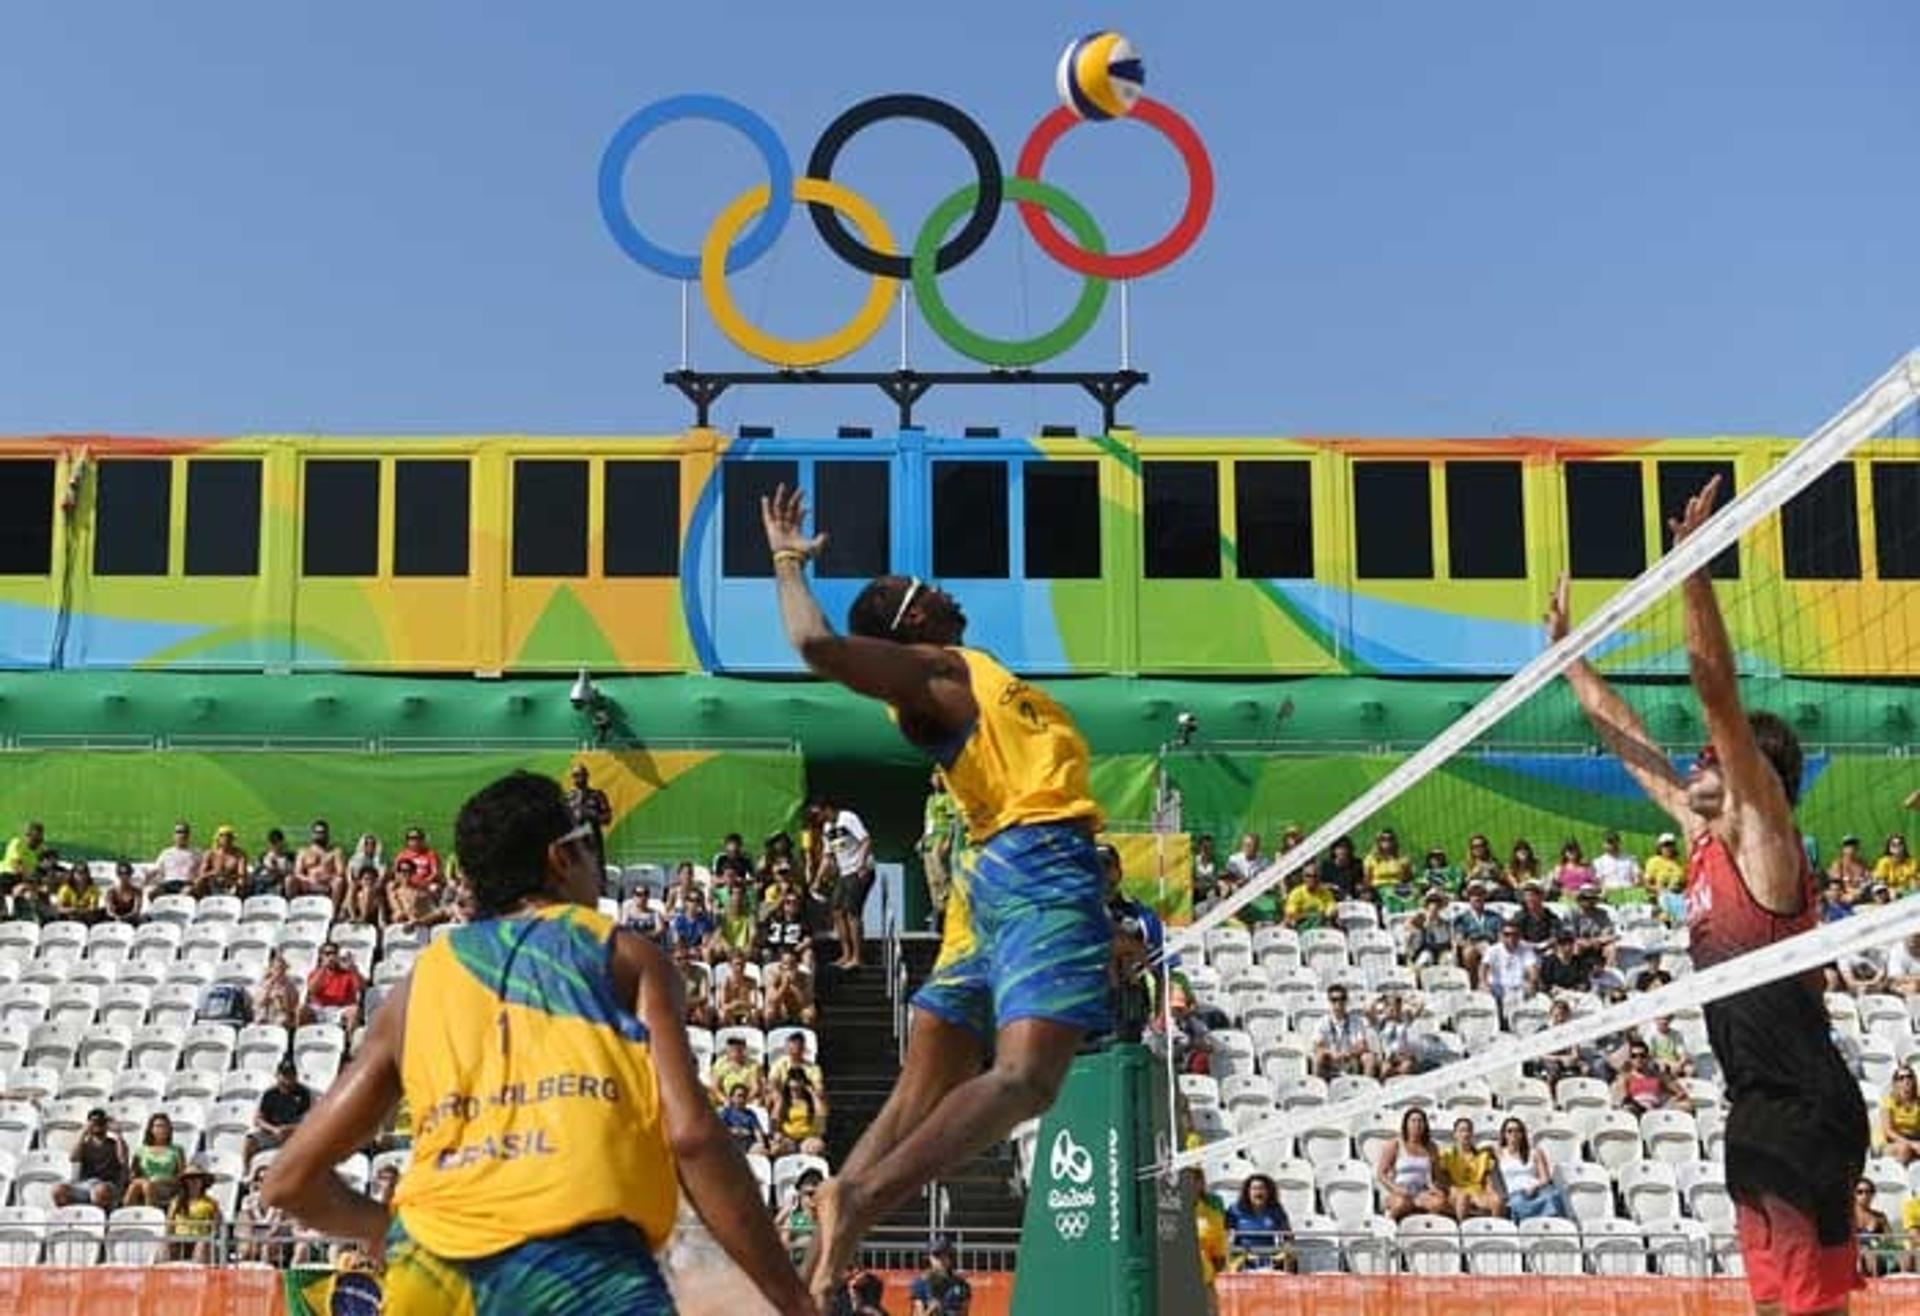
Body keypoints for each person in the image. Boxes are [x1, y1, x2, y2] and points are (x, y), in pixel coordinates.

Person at [261, 771, 811, 1315]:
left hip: (430, 1273)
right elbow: (691, 1135)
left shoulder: (417, 987)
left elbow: (289, 1180)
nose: (597, 862)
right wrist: (791, 1298)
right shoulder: (623, 957)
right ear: (561, 857)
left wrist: (390, 1230)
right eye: (589, 845)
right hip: (579, 1267)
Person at [761, 484, 1112, 1302]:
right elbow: (816, 644)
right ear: (913, 622)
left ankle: (817, 1261)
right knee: (1026, 1081)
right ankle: (861, 1199)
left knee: (922, 1091)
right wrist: (785, 562)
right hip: (1036, 863)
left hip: (990, 875)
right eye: (926, 590)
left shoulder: (969, 675)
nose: (948, 591)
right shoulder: (935, 671)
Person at [1552, 479, 1868, 1316]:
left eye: (1707, 757)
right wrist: (1567, 659)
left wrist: (1693, 565)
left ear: (1747, 776)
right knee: (1776, 1307)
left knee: (1804, 1312)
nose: (1690, 763)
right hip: (1758, 1107)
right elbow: (1627, 739)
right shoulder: (1701, 841)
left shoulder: (1765, 842)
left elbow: (1717, 692)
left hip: (1804, 1106)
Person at [813, 800, 874, 970]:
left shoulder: (847, 817)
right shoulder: (827, 828)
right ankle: (846, 953)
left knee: (852, 912)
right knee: (837, 910)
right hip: (844, 872)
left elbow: (866, 840)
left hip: (860, 870)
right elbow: (827, 856)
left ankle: (857, 956)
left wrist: (861, 864)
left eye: (819, 813)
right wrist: (817, 880)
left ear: (827, 809)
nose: (817, 818)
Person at [1377, 1108, 1450, 1221]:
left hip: (1421, 1192)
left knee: (1439, 1202)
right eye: (1413, 1121)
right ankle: (1390, 1224)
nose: (1417, 1124)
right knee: (1401, 1203)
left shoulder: (1431, 1147)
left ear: (1425, 1125)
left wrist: (1436, 1188)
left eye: (1420, 1121)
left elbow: (1436, 1175)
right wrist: (1395, 1188)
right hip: (1399, 1191)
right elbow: (1381, 1174)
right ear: (1406, 1124)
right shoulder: (1395, 1144)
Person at [1494, 1117, 1569, 1221]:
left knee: (1553, 1196)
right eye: (1509, 1131)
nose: (1513, 1134)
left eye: (1518, 1130)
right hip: (1514, 1193)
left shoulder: (1535, 1152)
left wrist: (1534, 1187)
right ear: (1504, 1134)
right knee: (1518, 1202)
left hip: (1537, 1190)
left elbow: (1545, 1178)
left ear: (1522, 1133)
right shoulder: (1498, 1153)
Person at [53, 1107, 128, 1209]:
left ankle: (100, 1220)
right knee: (58, 1190)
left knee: (100, 1191)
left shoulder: (115, 1144)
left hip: (106, 1184)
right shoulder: (84, 1144)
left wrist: (119, 1134)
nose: (98, 1125)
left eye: (101, 1122)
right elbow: (73, 1158)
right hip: (85, 1184)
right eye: (94, 1122)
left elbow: (123, 1160)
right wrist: (84, 1133)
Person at [246, 1059, 314, 1166]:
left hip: (294, 1134)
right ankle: (247, 1173)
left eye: (291, 1075)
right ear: (277, 1075)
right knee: (250, 1141)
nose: (287, 1079)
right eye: (284, 1075)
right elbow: (258, 1120)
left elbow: (309, 1120)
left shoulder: (304, 1093)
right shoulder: (269, 1094)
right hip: (273, 1133)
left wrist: (290, 1129)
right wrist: (274, 1130)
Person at [1223, 1174, 1292, 1272]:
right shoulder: (1235, 1210)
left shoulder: (1276, 1210)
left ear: (1268, 1192)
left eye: (1262, 1189)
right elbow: (1225, 1236)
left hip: (1270, 1260)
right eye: (1254, 1189)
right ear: (1247, 1192)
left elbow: (1287, 1236)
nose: (1258, 1192)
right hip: (1242, 1259)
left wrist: (1285, 1255)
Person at [920, 771, 962, 932]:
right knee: (931, 878)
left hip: (941, 836)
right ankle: (938, 907)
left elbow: (952, 821)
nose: (936, 780)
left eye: (939, 776)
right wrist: (922, 838)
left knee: (940, 870)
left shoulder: (948, 798)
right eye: (934, 776)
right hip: (929, 839)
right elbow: (928, 821)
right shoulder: (930, 800)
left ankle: (948, 897)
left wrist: (948, 841)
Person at [1440, 1117, 1503, 1220]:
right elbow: (1443, 1178)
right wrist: (1451, 1189)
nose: (1465, 1134)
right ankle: (1462, 1230)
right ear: (1455, 1134)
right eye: (1461, 1131)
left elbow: (1488, 1180)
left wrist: (1490, 1191)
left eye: (1468, 1130)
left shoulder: (1482, 1156)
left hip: (1477, 1191)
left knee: (1497, 1201)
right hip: (1456, 1191)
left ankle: (1495, 1230)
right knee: (1463, 1197)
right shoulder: (1447, 1154)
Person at [1313, 985, 1377, 1080]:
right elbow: (1318, 1046)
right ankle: (1319, 1089)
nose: (1338, 1003)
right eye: (1334, 999)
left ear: (1346, 1001)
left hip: (1351, 1058)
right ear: (1329, 1002)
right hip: (1331, 1059)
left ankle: (1366, 1089)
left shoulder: (1356, 1021)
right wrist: (1332, 1053)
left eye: (1342, 999)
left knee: (1369, 1057)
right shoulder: (1322, 1022)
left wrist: (1348, 1053)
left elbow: (1362, 1045)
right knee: (1319, 1057)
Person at [124, 1112, 186, 1209]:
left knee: (146, 1185)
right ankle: (126, 1218)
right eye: (158, 1126)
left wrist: (162, 1179)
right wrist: (144, 1182)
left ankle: (151, 1217)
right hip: (145, 1184)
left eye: (165, 1126)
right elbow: (133, 1175)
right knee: (136, 1186)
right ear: (151, 1129)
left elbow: (182, 1175)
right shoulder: (141, 1150)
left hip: (167, 1185)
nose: (162, 1129)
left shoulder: (177, 1150)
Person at [167, 1158, 222, 1263]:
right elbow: (170, 1225)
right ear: (185, 1182)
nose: (193, 1181)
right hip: (179, 1241)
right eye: (190, 1178)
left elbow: (217, 1226)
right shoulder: (176, 1202)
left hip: (201, 1240)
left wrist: (209, 1237)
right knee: (163, 1245)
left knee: (202, 1245)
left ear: (202, 1181)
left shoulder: (211, 1203)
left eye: (197, 1178)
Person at [565, 763, 614, 878]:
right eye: (575, 775)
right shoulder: (567, 797)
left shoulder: (597, 795)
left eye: (581, 774)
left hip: (592, 843)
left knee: (596, 877)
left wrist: (591, 815)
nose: (578, 778)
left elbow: (607, 818)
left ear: (587, 776)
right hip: (575, 844)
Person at [909, 1236, 973, 1315]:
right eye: (937, 1255)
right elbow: (918, 1313)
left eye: (945, 1255)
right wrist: (931, 1309)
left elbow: (964, 1312)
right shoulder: (920, 1284)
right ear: (929, 1258)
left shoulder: (962, 1285)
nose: (941, 1260)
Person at [1881, 1068, 1920, 1165]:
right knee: (1904, 1148)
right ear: (1896, 1083)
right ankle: (1901, 1177)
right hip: (1893, 1141)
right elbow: (1888, 1131)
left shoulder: (1918, 1102)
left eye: (1909, 1077)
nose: (1905, 1080)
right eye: (1901, 1078)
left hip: (1915, 1138)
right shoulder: (1889, 1101)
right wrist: (1911, 1144)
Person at [1593, 831, 1642, 896]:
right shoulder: (1598, 862)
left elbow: (1638, 878)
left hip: (1629, 892)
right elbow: (1599, 882)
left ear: (1618, 842)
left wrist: (1633, 889)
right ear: (1603, 844)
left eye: (1614, 842)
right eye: (1609, 842)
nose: (1612, 845)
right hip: (1609, 893)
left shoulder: (1630, 859)